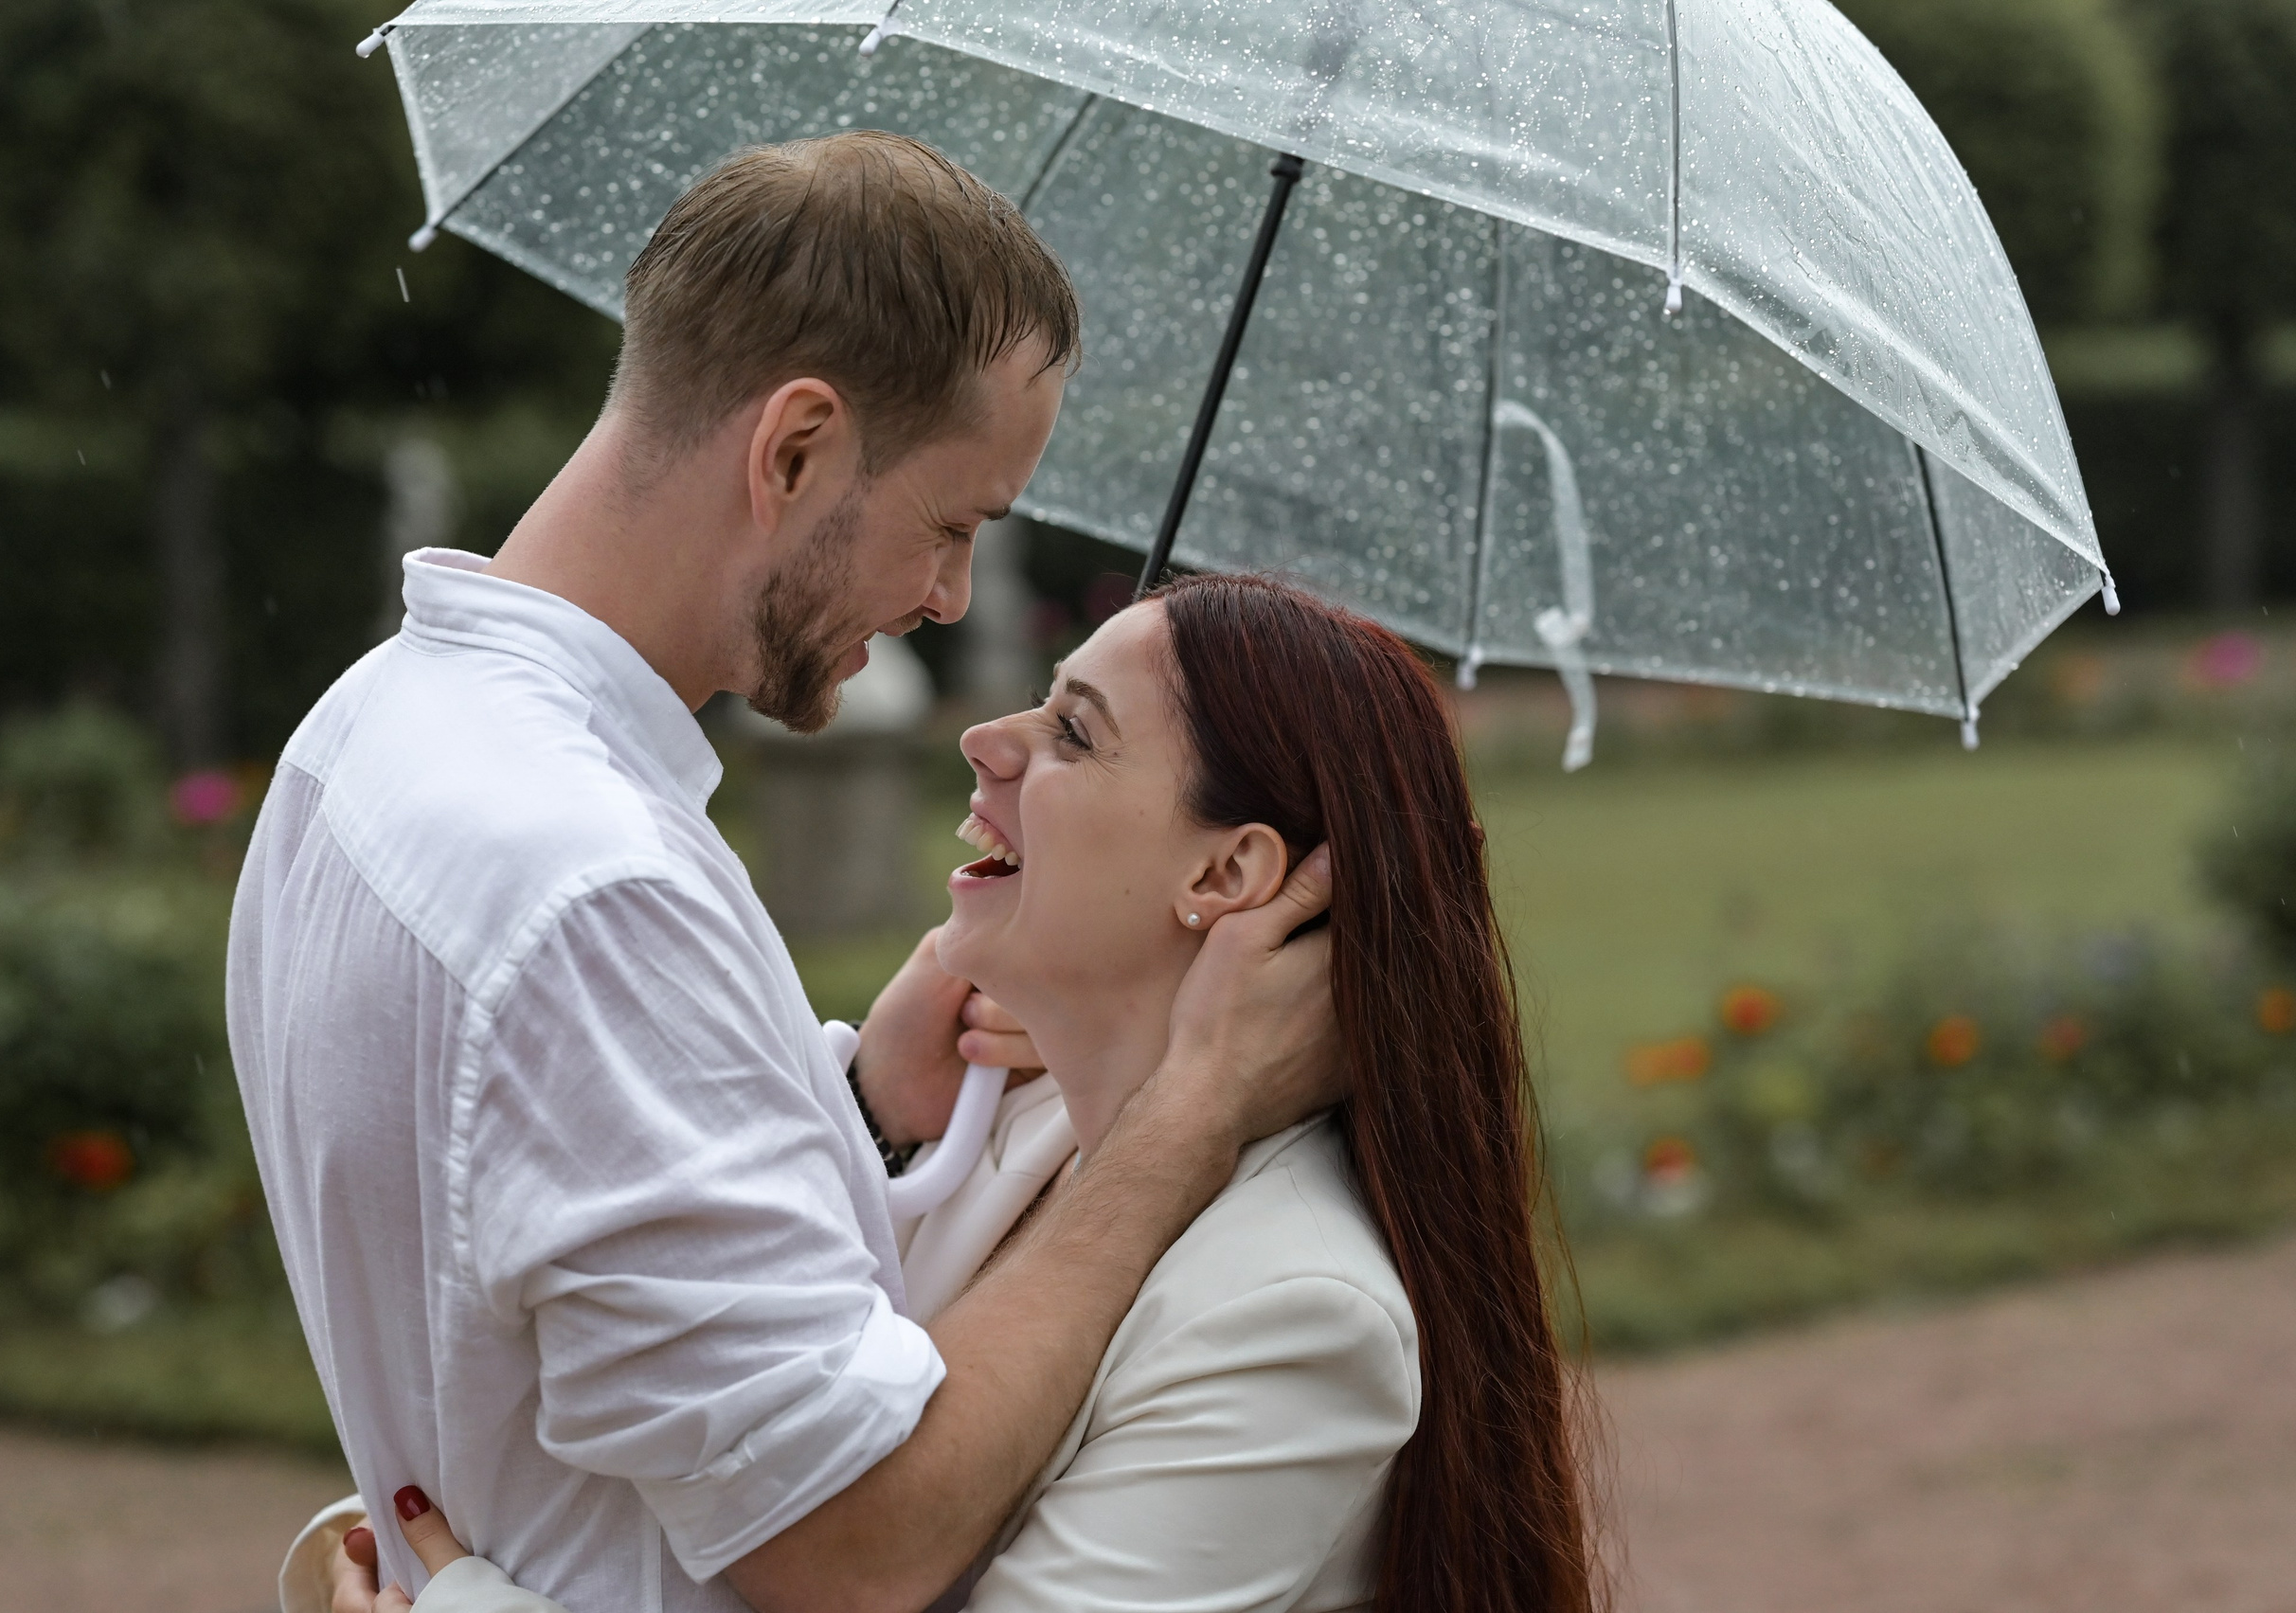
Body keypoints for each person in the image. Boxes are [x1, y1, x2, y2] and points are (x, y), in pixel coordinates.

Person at [229, 133, 1340, 1613]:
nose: (947, 596)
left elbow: (532, 1252)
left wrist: (862, 1113)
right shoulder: (595, 886)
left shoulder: (360, 733)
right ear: (796, 448)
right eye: (951, 525)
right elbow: (851, 1540)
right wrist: (1183, 1131)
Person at [298, 573, 1600, 1613]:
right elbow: (753, 1411)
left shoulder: (1295, 1315)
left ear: (1229, 874)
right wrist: (871, 1101)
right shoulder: (1016, 1130)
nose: (987, 740)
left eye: (1074, 732)